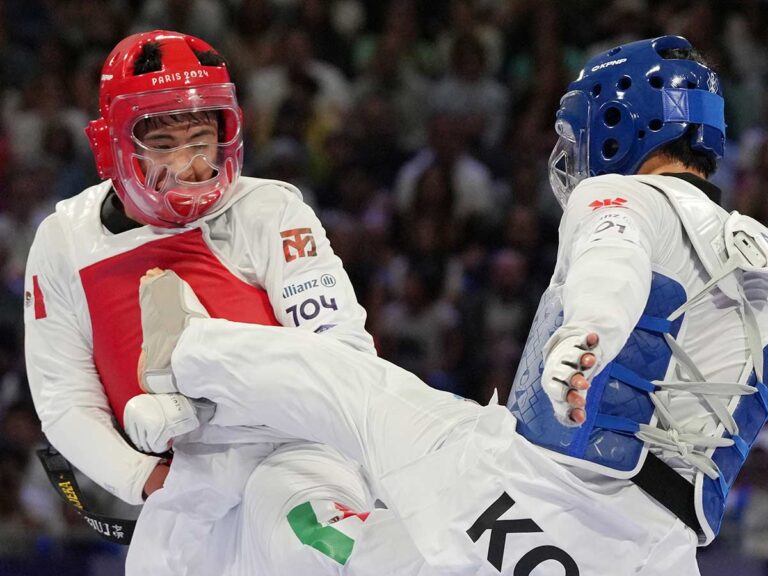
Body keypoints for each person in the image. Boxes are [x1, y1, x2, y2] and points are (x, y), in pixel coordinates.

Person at [129, 36, 768, 575]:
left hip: (540, 495)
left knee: (353, 386)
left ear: (614, 127)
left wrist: (589, 330)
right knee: (364, 549)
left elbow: (613, 262)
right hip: (654, 555)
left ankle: (185, 349)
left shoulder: (625, 196)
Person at [23, 30, 429, 575]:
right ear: (110, 146)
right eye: (164, 145)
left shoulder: (269, 212)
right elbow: (65, 402)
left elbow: (343, 352)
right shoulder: (64, 240)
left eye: (202, 139)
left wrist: (224, 391)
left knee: (316, 547)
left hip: (294, 457)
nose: (190, 165)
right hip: (182, 497)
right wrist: (145, 478)